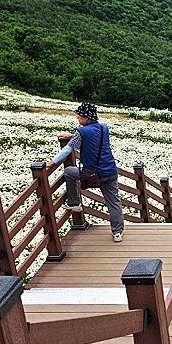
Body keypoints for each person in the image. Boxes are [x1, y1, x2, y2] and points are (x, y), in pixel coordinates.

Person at [52, 102, 124, 243]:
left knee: (69, 172)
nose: (78, 119)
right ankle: (117, 233)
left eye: (79, 116)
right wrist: (73, 135)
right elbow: (93, 137)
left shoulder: (82, 131)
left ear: (86, 117)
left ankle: (74, 203)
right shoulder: (104, 128)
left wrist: (53, 162)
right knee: (114, 202)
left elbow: (68, 149)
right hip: (110, 171)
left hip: (92, 173)